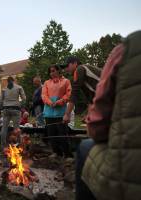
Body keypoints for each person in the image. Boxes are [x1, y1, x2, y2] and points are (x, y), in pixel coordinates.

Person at [76, 31, 141, 200]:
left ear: (74, 64)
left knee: (85, 146)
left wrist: (90, 121)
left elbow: (98, 129)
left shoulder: (127, 49)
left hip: (129, 173)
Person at [42, 65, 72, 158]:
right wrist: (50, 102)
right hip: (49, 113)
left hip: (60, 113)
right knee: (51, 135)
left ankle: (67, 155)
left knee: (62, 134)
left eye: (54, 71)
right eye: (50, 71)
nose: (52, 73)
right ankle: (56, 152)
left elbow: (69, 94)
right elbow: (44, 95)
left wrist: (59, 102)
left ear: (59, 71)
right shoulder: (46, 83)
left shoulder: (66, 81)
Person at [60, 56, 101, 124]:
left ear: (75, 63)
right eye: (64, 67)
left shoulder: (80, 69)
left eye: (67, 65)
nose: (66, 69)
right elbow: (91, 99)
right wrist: (89, 114)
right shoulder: (83, 74)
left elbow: (74, 94)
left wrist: (67, 114)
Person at [0, 76, 26, 149]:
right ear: (14, 81)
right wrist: (21, 106)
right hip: (16, 108)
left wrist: (2, 107)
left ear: (7, 81)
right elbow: (24, 98)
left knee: (4, 127)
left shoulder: (4, 89)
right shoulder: (19, 87)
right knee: (16, 128)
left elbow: (0, 100)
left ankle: (3, 146)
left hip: (6, 109)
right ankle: (18, 146)